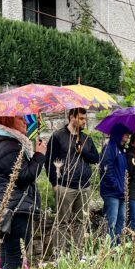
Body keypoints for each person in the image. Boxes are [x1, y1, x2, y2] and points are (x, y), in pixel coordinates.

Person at [0, 115, 47, 269]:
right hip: (15, 209)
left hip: (10, 207)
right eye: (21, 118)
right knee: (15, 259)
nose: (27, 122)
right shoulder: (9, 146)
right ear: (8, 120)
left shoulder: (2, 143)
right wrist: (39, 155)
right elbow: (25, 176)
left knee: (6, 256)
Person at [45, 108, 99, 253]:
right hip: (65, 186)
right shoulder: (58, 136)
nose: (83, 121)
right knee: (62, 222)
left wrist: (83, 151)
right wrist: (54, 184)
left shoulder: (87, 139)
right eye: (81, 118)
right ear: (71, 117)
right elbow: (49, 160)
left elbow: (95, 158)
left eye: (84, 119)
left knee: (81, 221)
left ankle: (78, 254)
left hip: (84, 186)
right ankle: (59, 257)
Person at [99, 124, 130, 245]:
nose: (128, 135)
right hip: (112, 193)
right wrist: (117, 187)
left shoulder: (121, 150)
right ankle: (109, 250)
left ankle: (118, 248)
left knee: (121, 221)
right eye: (125, 133)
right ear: (118, 134)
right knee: (111, 222)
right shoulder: (109, 148)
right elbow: (107, 170)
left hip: (121, 192)